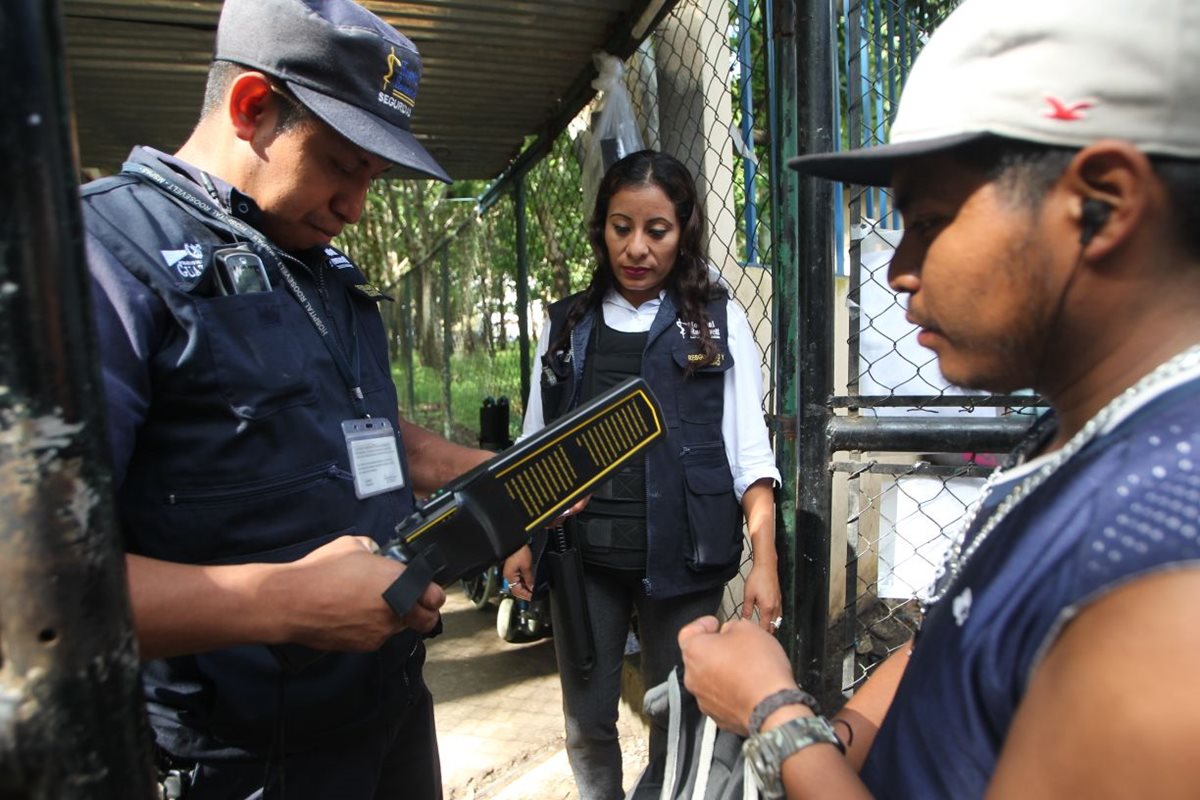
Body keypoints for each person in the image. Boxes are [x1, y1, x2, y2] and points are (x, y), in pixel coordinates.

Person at [677, 0, 1200, 797]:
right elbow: (953, 650)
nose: (897, 269)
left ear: (1102, 204)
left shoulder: (1165, 571)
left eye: (927, 219)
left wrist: (776, 717)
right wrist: (833, 737)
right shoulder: (1081, 435)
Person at [80, 0, 493, 796]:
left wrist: (490, 469)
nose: (356, 206)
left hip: (392, 710)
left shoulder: (313, 260)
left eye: (372, 177)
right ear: (252, 108)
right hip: (243, 754)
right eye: (342, 165)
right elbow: (26, 586)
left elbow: (345, 428)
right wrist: (279, 604)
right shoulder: (106, 258)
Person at [502, 149, 783, 800]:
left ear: (682, 232)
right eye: (620, 226)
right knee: (586, 720)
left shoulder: (715, 318)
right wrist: (518, 534)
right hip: (585, 560)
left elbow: (748, 449)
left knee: (677, 716)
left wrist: (764, 556)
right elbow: (534, 444)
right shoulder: (567, 323)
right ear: (601, 228)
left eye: (656, 230)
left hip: (684, 557)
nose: (636, 247)